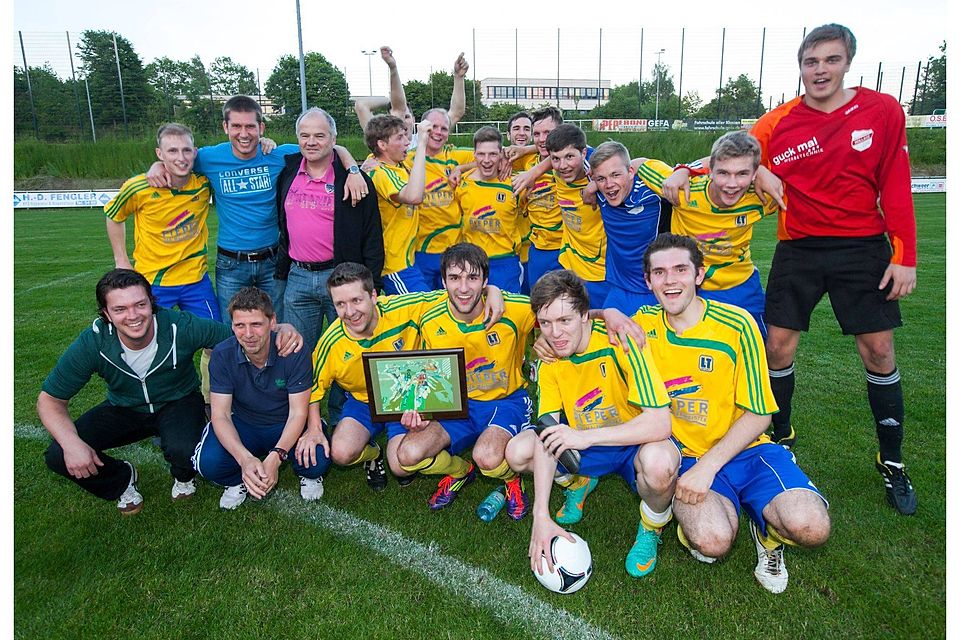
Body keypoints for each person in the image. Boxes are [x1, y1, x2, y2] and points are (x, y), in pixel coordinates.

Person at [667, 25, 918, 514]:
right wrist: (689, 170)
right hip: (798, 248)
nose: (820, 70)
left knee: (879, 351)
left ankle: (892, 462)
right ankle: (780, 436)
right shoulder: (778, 120)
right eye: (811, 61)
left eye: (831, 60)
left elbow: (896, 180)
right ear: (800, 67)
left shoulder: (881, 110)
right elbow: (728, 154)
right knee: (776, 348)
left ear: (847, 62)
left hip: (862, 246)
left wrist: (903, 255)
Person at [634, 233, 831, 593]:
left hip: (748, 448)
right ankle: (701, 519)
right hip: (688, 455)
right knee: (712, 541)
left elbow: (760, 414)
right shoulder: (641, 325)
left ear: (699, 274)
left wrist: (710, 467)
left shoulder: (737, 324)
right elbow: (582, 321)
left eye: (680, 269)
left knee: (812, 526)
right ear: (648, 281)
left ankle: (767, 533)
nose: (670, 280)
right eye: (659, 273)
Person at [36, 269, 302, 515]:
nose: (133, 315)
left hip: (178, 402)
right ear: (105, 313)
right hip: (124, 407)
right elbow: (49, 400)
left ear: (152, 303)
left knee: (188, 451)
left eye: (140, 305)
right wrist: (72, 445)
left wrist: (281, 328)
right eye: (120, 309)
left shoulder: (179, 326)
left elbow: (237, 335)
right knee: (59, 454)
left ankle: (183, 475)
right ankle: (121, 480)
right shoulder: (94, 342)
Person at [505, 269, 674, 578]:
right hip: (586, 443)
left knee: (660, 463)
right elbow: (547, 432)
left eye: (564, 321)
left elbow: (661, 423)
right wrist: (539, 514)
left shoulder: (619, 341)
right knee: (518, 452)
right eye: (546, 323)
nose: (555, 334)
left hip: (631, 445)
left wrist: (586, 438)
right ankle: (579, 483)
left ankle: (652, 527)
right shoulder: (549, 359)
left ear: (585, 316)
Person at [147, 96, 366, 321]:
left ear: (261, 127)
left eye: (250, 126)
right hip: (230, 263)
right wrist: (157, 166)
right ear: (225, 127)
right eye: (237, 126)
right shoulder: (209, 158)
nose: (244, 134)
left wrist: (353, 169)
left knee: (277, 325)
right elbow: (178, 157)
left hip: (272, 260)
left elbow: (328, 145)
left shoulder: (279, 154)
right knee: (231, 328)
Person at [396, 244, 534, 517]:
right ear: (443, 281)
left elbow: (566, 314)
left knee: (488, 457)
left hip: (505, 402)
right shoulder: (428, 314)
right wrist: (416, 407)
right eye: (455, 278)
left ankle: (511, 480)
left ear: (485, 280)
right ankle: (461, 471)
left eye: (472, 278)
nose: (463, 288)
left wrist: (607, 315)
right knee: (407, 455)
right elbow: (375, 309)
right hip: (455, 405)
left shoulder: (514, 308)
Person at [193, 287, 328, 509]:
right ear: (232, 325)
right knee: (208, 463)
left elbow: (298, 413)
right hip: (246, 423)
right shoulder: (222, 354)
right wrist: (244, 459)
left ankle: (308, 475)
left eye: (256, 324)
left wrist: (276, 456)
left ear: (272, 322)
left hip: (286, 422)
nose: (248, 334)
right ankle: (237, 480)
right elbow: (221, 415)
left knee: (318, 458)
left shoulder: (293, 350)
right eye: (240, 325)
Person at [634, 131, 776, 335]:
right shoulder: (682, 190)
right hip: (691, 288)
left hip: (740, 286)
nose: (732, 184)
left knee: (757, 347)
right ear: (710, 171)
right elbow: (638, 163)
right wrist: (686, 169)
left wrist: (768, 174)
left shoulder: (763, 196)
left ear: (755, 175)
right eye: (723, 173)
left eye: (742, 174)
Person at [275, 107, 384, 357]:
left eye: (319, 136)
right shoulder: (287, 172)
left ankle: (343, 399)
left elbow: (372, 236)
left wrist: (371, 283)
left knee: (350, 351)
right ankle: (304, 396)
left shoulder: (354, 181)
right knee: (298, 353)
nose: (311, 142)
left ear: (334, 140)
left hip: (342, 278)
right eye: (304, 135)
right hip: (298, 278)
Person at [105, 123, 219, 323]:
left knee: (215, 338)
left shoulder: (204, 183)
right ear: (159, 153)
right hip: (153, 280)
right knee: (151, 339)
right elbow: (114, 217)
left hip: (196, 279)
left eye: (186, 150)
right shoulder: (139, 187)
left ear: (195, 152)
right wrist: (121, 260)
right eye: (172, 151)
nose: (181, 158)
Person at [588, 140, 665, 316]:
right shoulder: (600, 193)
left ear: (631, 172)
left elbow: (683, 177)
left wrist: (641, 161)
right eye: (601, 178)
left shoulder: (652, 194)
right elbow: (569, 148)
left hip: (654, 291)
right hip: (618, 289)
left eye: (616, 175)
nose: (609, 184)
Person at [365, 114, 433, 294]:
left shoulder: (398, 166)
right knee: (423, 312)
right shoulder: (380, 172)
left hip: (409, 261)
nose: (407, 141)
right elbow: (414, 197)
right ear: (382, 145)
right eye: (400, 137)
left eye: (406, 135)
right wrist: (422, 145)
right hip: (395, 267)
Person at [354, 46, 468, 151]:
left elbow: (456, 112)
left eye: (407, 117)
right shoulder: (381, 138)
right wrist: (391, 99)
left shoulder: (426, 138)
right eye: (397, 117)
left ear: (414, 120)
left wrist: (459, 77)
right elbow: (361, 105)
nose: (403, 121)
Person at [543, 124, 609, 305]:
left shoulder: (603, 181)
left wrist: (596, 183)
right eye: (555, 159)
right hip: (568, 264)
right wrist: (533, 173)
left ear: (584, 153)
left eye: (570, 157)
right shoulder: (558, 174)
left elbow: (627, 164)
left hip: (598, 272)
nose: (563, 166)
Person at [455, 126, 524, 292]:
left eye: (493, 154)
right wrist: (459, 168)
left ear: (501, 154)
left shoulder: (515, 184)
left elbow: (550, 151)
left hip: (505, 262)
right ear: (474, 155)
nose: (487, 160)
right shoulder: (461, 183)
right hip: (472, 263)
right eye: (481, 154)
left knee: (508, 314)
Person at [512, 107, 565, 288]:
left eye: (548, 133)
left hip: (565, 249)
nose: (542, 139)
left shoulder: (571, 163)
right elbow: (489, 157)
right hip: (537, 249)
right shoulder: (528, 160)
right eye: (537, 134)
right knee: (537, 303)